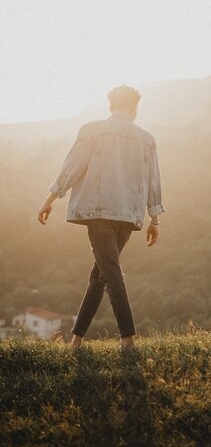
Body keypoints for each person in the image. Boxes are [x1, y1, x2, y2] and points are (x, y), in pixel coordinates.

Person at [37, 85, 165, 349]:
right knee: (102, 273)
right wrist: (155, 220)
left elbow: (72, 167)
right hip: (129, 215)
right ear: (134, 107)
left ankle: (127, 338)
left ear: (110, 106)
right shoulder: (147, 138)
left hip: (98, 211)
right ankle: (77, 339)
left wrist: (50, 199)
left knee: (110, 271)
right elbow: (154, 180)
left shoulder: (92, 130)